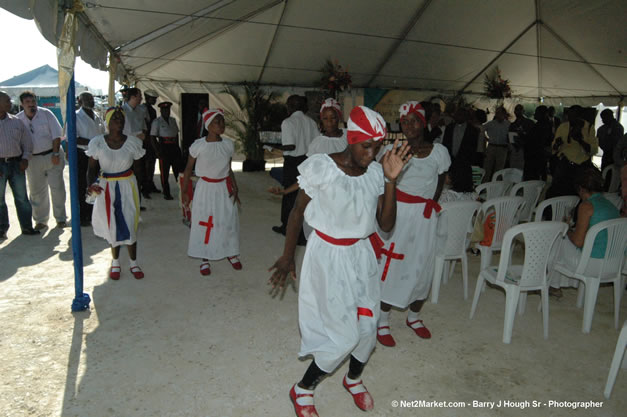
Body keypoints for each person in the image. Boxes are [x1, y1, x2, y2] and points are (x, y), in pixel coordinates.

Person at [269, 106, 411, 417]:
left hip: (361, 256)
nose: (371, 154)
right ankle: (302, 389)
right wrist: (287, 254)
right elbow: (296, 213)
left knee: (368, 326)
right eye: (366, 146)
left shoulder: (375, 173)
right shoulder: (322, 167)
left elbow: (385, 225)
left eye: (377, 147)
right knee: (342, 335)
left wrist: (390, 182)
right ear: (352, 139)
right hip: (327, 257)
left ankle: (353, 379)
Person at [376, 102, 451, 347]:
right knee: (393, 264)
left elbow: (439, 182)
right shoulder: (392, 150)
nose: (408, 126)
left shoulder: (438, 152)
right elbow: (381, 182)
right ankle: (383, 320)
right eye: (404, 122)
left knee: (423, 265)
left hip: (425, 216)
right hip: (397, 213)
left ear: (424, 122)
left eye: (414, 121)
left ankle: (414, 316)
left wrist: (428, 206)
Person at [86, 107, 146, 280]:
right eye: (115, 118)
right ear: (108, 121)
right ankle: (115, 263)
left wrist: (140, 191)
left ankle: (134, 263)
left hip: (128, 186)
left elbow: (139, 169)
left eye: (121, 118)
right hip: (107, 187)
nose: (118, 121)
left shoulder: (133, 143)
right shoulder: (97, 143)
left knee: (129, 221)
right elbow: (91, 169)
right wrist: (90, 185)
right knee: (112, 223)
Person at [182, 109, 241, 276]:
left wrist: (235, 187)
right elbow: (188, 169)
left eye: (222, 122)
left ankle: (230, 251)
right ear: (208, 125)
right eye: (217, 122)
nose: (221, 125)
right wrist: (185, 192)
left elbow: (229, 169)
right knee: (205, 222)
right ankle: (205, 257)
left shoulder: (228, 144)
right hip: (205, 189)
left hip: (223, 187)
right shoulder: (199, 145)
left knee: (227, 219)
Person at [548, 168, 620, 297]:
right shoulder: (612, 206)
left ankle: (553, 284)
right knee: (565, 241)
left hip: (592, 265)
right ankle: (558, 283)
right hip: (614, 264)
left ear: (581, 188)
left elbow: (578, 241)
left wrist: (567, 229)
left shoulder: (586, 206)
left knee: (558, 237)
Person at [268, 98, 347, 196]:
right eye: (325, 119)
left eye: (333, 118)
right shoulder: (317, 143)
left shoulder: (349, 136)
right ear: (321, 120)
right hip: (326, 193)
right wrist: (285, 191)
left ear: (339, 117)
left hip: (347, 189)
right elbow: (308, 175)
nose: (329, 122)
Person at [17, 91, 67, 230]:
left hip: (52, 154)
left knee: (57, 188)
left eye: (33, 101)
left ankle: (61, 218)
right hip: (33, 159)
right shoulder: (18, 119)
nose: (31, 104)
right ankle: (41, 221)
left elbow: (57, 135)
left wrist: (56, 153)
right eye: (27, 102)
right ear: (22, 104)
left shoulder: (46, 114)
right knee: (36, 192)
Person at [270, 95, 318, 239]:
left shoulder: (288, 122)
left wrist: (272, 146)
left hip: (293, 161)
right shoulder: (311, 122)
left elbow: (290, 146)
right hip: (308, 160)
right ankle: (304, 227)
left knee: (289, 193)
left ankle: (287, 226)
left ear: (290, 106)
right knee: (305, 192)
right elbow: (316, 143)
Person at [0, 91, 38, 238]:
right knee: (0, 201)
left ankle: (27, 227)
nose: (11, 104)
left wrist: (25, 159)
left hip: (16, 164)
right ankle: (2, 229)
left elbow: (27, 143)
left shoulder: (16, 122)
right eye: (7, 101)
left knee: (22, 198)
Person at [547, 105, 598, 198]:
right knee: (557, 192)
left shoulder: (589, 128)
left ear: (580, 116)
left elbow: (593, 150)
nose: (571, 119)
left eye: (574, 116)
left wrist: (580, 140)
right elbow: (553, 148)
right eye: (569, 116)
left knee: (577, 194)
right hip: (564, 164)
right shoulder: (563, 127)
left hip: (580, 167)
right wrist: (557, 144)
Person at [75, 92, 105, 226]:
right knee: (83, 185)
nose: (90, 101)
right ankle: (83, 215)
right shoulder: (75, 116)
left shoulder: (97, 116)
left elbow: (103, 135)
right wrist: (93, 142)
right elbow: (74, 137)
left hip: (97, 155)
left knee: (96, 184)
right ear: (79, 101)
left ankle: (94, 213)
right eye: (87, 99)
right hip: (82, 154)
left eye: (92, 98)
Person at [151, 101, 182, 200]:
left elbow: (176, 134)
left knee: (178, 170)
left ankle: (182, 190)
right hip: (164, 147)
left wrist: (178, 147)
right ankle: (166, 192)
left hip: (174, 147)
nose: (166, 111)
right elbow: (152, 137)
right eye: (164, 110)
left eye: (168, 109)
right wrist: (157, 151)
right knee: (165, 172)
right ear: (161, 111)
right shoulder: (157, 122)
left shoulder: (173, 120)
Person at [121, 88, 148, 203]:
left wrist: (143, 134)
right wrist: (135, 136)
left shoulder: (140, 111)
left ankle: (137, 202)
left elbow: (144, 127)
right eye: (139, 96)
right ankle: (127, 202)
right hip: (126, 150)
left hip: (138, 149)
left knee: (138, 176)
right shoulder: (122, 111)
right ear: (132, 97)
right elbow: (120, 132)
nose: (141, 98)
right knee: (127, 177)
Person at [139, 89, 161, 196]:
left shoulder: (153, 110)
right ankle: (145, 187)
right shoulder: (142, 109)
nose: (155, 100)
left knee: (151, 163)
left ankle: (150, 183)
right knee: (145, 165)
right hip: (144, 140)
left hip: (151, 139)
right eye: (153, 99)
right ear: (147, 98)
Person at [524, 105, 553, 181]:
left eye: (536, 113)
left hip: (536, 156)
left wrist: (525, 137)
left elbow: (537, 140)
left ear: (541, 114)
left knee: (534, 177)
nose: (534, 114)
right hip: (537, 155)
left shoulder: (543, 125)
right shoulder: (542, 124)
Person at [482, 106, 511, 182]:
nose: (498, 114)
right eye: (497, 113)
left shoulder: (508, 125)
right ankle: (484, 184)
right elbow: (481, 129)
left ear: (504, 114)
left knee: (499, 169)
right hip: (492, 146)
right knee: (487, 167)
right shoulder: (491, 123)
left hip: (503, 148)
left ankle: (496, 185)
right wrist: (486, 138)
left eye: (499, 113)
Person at [508, 104, 534, 171]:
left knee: (523, 169)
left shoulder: (529, 123)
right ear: (514, 112)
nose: (518, 111)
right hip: (515, 150)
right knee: (513, 169)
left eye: (520, 109)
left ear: (523, 111)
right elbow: (510, 137)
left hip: (526, 150)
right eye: (516, 110)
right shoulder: (512, 125)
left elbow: (532, 136)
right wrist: (514, 146)